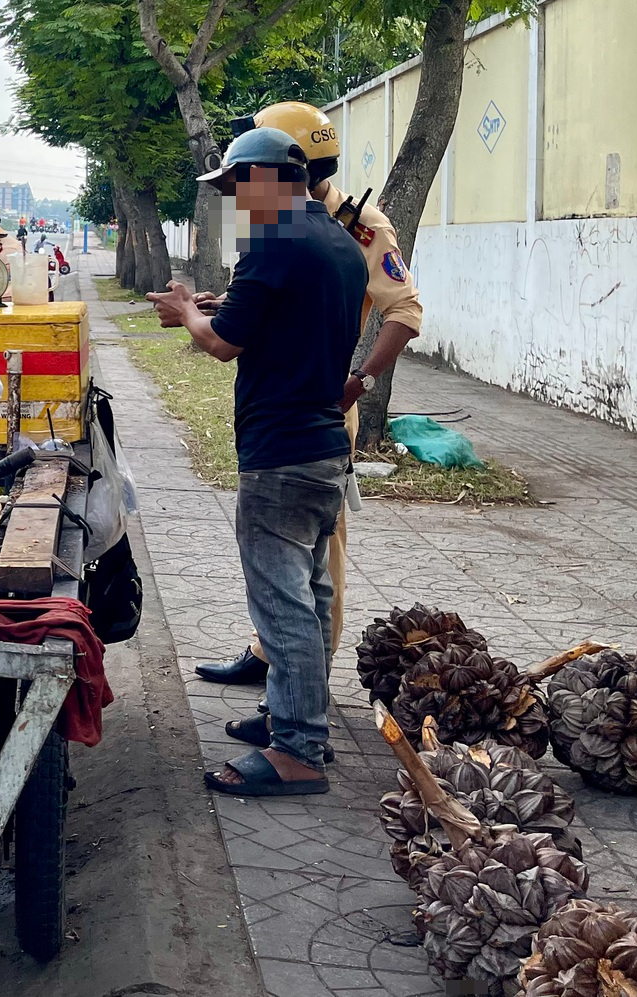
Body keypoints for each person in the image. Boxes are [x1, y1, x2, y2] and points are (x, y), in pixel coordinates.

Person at [147, 128, 366, 797]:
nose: (235, 201)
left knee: (283, 604)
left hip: (282, 454)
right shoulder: (338, 242)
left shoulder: (274, 241)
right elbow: (284, 317)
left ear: (268, 178)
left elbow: (222, 344)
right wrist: (215, 307)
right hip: (325, 446)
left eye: (237, 186)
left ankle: (297, 749)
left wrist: (187, 310)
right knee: (311, 595)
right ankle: (294, 720)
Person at [194, 102, 426, 691]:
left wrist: (361, 381)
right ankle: (270, 654)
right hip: (277, 401)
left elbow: (405, 312)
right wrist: (225, 309)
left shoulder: (361, 226)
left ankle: (303, 685)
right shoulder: (281, 219)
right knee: (283, 561)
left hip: (321, 408)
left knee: (318, 558)